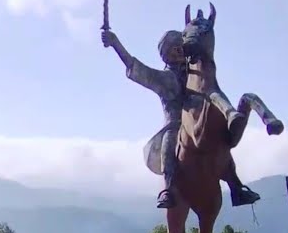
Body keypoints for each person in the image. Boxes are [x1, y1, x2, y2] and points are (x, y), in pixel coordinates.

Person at [101, 28, 260, 208]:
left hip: (197, 122)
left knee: (220, 144)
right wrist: (115, 43)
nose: (179, 51)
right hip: (175, 125)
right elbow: (134, 66)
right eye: (174, 48)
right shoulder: (163, 78)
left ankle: (236, 187)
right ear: (166, 53)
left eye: (180, 47)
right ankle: (167, 189)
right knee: (169, 144)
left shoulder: (194, 73)